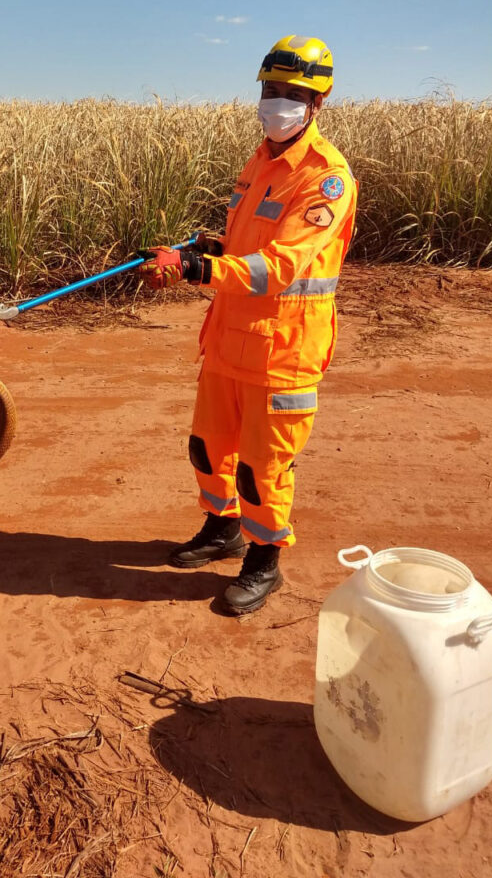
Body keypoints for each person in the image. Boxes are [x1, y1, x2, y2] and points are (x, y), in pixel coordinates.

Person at [137, 35, 358, 615]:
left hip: (283, 354)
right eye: (270, 90)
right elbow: (247, 243)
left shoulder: (326, 178)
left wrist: (194, 267)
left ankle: (264, 563)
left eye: (292, 93)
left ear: (319, 102)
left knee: (264, 469)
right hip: (230, 341)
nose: (276, 102)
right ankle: (221, 530)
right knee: (209, 450)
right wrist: (208, 246)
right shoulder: (261, 160)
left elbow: (281, 266)